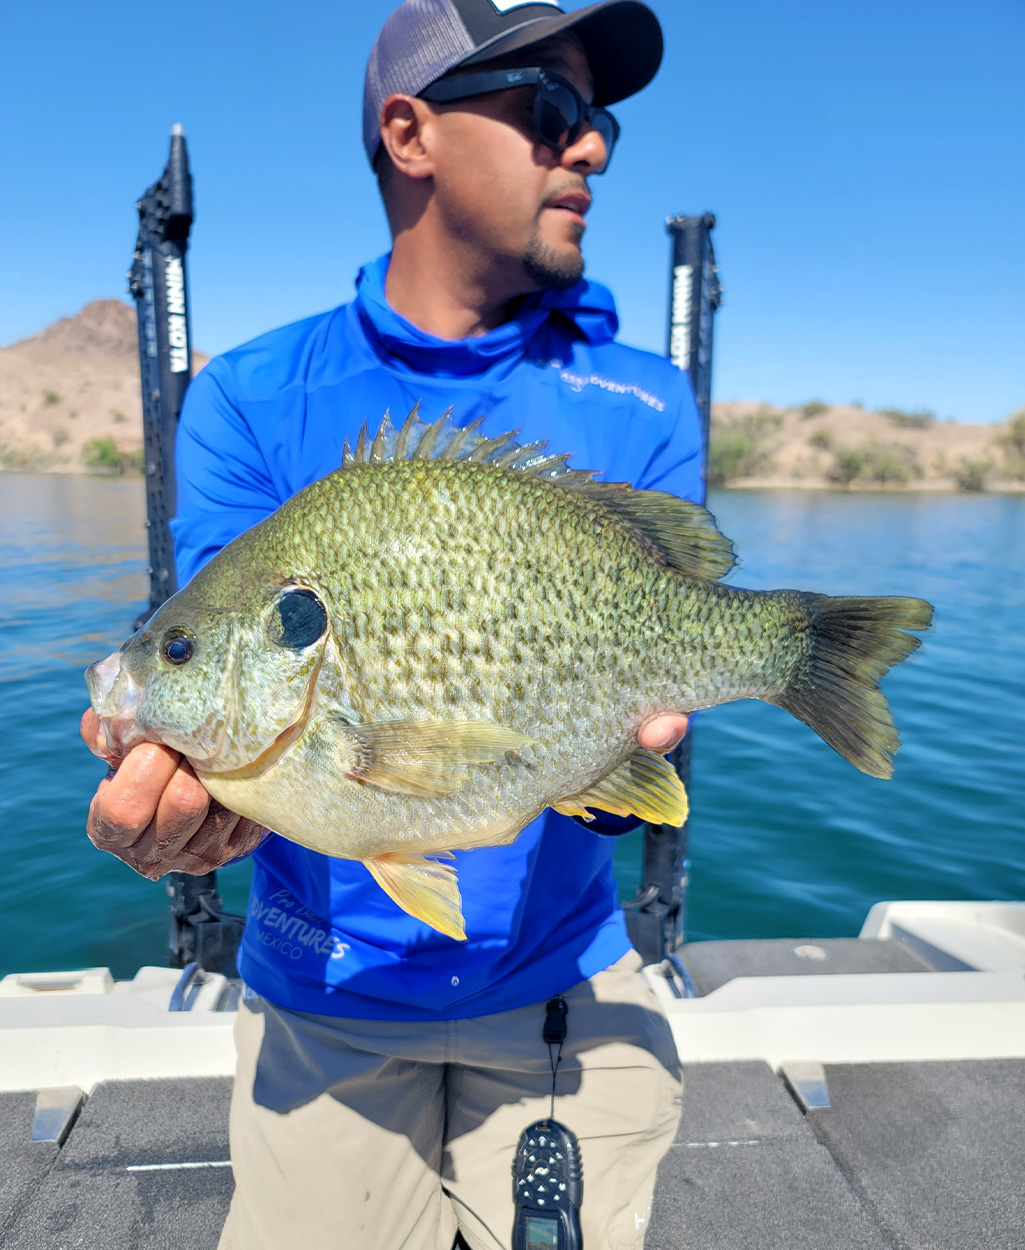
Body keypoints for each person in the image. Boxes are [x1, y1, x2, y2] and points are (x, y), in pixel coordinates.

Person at [81, 2, 702, 1246]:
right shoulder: (251, 399)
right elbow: (237, 694)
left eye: (602, 126)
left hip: (565, 990)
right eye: (553, 111)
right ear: (408, 134)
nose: (589, 151)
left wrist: (610, 764)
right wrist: (201, 814)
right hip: (321, 999)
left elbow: (654, 676)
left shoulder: (641, 399)